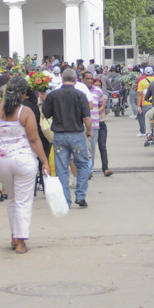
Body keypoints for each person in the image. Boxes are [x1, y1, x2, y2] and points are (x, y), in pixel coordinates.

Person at [0, 76, 50, 254]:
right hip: (23, 160)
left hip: (1, 161)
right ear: (24, 94)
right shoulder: (25, 112)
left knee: (12, 200)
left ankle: (14, 237)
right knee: (23, 201)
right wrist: (44, 161)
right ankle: (21, 243)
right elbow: (34, 139)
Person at [41, 68, 92, 208]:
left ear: (62, 79)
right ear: (76, 80)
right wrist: (89, 131)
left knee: (61, 169)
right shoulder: (80, 95)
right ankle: (80, 195)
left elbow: (46, 114)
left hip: (59, 135)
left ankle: (65, 200)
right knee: (82, 164)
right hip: (76, 134)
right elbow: (87, 118)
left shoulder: (53, 95)